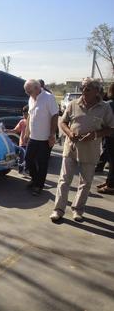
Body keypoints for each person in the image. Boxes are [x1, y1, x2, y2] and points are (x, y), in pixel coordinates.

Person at [50, 78, 114, 222]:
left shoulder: (104, 107)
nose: (84, 90)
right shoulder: (73, 104)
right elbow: (63, 122)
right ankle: (58, 210)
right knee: (64, 180)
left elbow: (111, 128)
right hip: (71, 148)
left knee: (85, 182)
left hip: (91, 151)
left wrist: (95, 135)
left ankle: (78, 210)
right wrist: (69, 133)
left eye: (88, 88)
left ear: (97, 91)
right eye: (83, 87)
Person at [23, 79, 59, 196]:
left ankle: (39, 185)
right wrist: (26, 133)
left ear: (37, 88)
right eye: (26, 92)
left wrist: (52, 134)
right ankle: (34, 179)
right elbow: (29, 116)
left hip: (45, 138)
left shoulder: (49, 98)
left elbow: (55, 115)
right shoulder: (31, 98)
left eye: (29, 91)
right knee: (28, 160)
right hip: (33, 137)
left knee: (42, 163)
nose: (28, 94)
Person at [96, 82, 114, 194]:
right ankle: (109, 181)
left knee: (112, 161)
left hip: (111, 136)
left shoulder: (109, 104)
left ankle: (111, 185)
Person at [6, 105, 29, 173]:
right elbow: (15, 130)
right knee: (22, 156)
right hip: (22, 143)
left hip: (29, 143)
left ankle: (26, 169)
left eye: (26, 114)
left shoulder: (33, 122)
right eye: (23, 114)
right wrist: (7, 130)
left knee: (28, 157)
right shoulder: (22, 122)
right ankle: (21, 169)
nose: (24, 115)